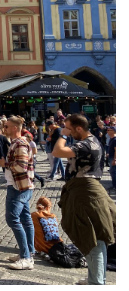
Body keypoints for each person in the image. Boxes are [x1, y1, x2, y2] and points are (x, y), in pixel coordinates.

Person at [53, 114, 115, 285]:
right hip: (89, 189)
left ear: (79, 128)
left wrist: (63, 134)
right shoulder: (94, 139)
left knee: (91, 237)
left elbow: (57, 151)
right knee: (97, 237)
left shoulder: (85, 144)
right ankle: (96, 279)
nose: (68, 132)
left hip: (85, 192)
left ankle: (96, 283)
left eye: (70, 129)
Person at [0, 116, 35, 270]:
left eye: (6, 126)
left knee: (12, 219)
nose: (4, 128)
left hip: (18, 186)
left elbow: (21, 166)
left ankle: (26, 257)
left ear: (14, 128)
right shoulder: (17, 142)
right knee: (25, 219)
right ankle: (28, 252)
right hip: (22, 185)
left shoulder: (19, 143)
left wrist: (4, 164)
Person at [107, 126, 116, 192]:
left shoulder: (115, 139)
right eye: (107, 130)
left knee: (113, 172)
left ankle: (115, 186)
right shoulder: (111, 138)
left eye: (109, 130)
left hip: (113, 158)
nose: (108, 131)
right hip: (111, 157)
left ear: (113, 131)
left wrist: (115, 159)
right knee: (112, 172)